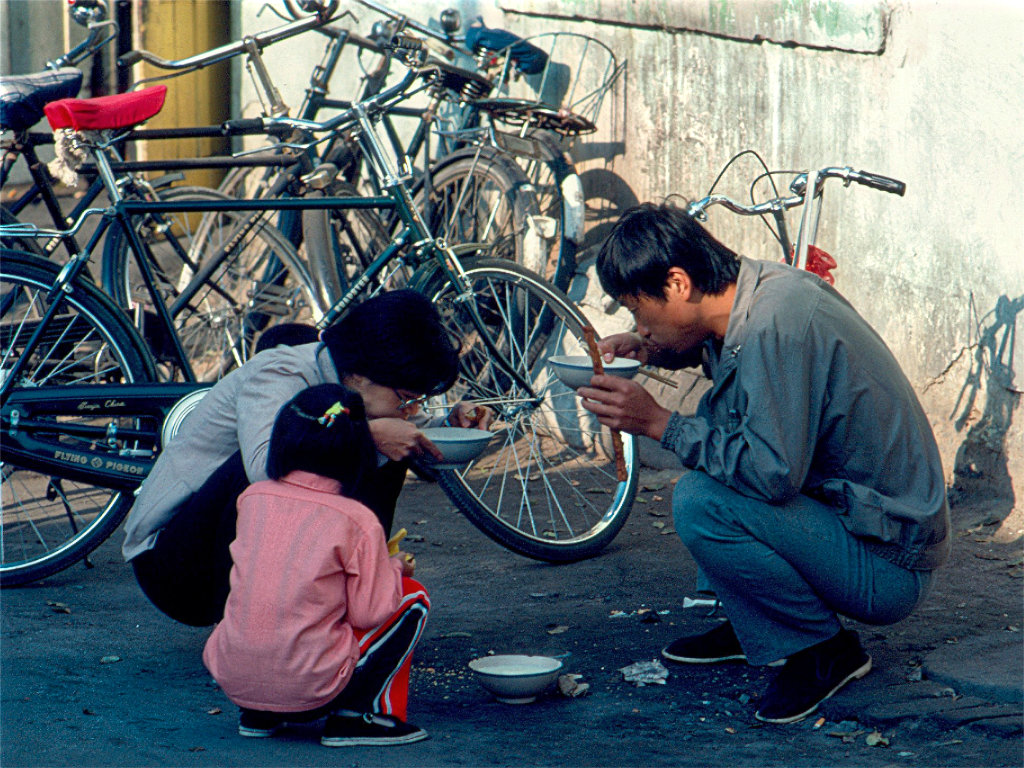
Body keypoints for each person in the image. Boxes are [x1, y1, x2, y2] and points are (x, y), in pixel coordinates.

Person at [579, 202, 950, 724]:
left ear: (679, 284)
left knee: (700, 500)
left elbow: (771, 475)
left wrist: (660, 423)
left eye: (639, 311)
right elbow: (730, 362)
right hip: (858, 530)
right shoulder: (759, 294)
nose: (639, 323)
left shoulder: (776, 326)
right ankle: (758, 619)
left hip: (889, 566)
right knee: (714, 447)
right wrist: (651, 350)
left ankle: (824, 651)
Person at [124, 289, 489, 628]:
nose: (414, 409)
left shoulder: (367, 390)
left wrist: (451, 423)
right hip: (178, 566)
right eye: (408, 398)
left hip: (234, 555)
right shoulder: (279, 373)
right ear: (360, 376)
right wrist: (367, 437)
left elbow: (411, 436)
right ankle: (264, 628)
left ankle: (347, 601)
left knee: (386, 436)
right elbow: (265, 473)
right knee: (343, 439)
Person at [203, 383, 430, 747]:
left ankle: (260, 715)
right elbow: (369, 612)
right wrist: (393, 568)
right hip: (310, 688)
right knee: (413, 597)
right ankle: (355, 717)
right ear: (359, 451)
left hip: (233, 676)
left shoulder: (253, 498)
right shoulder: (357, 519)